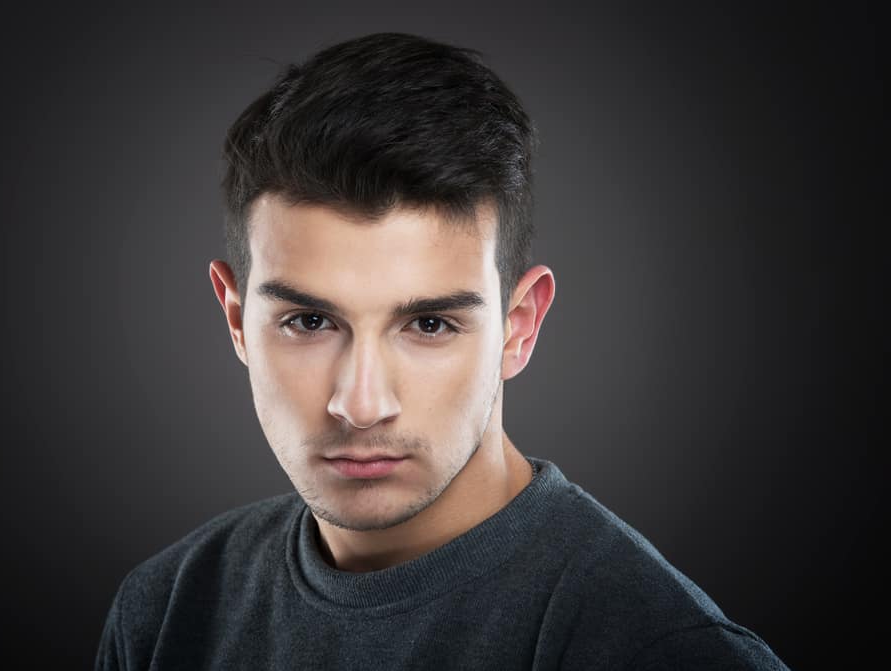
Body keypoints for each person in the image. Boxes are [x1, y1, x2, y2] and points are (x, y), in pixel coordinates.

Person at [95, 32, 789, 670]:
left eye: (428, 324)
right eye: (309, 320)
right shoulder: (165, 614)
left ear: (519, 325)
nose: (361, 404)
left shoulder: (657, 649)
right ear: (238, 320)